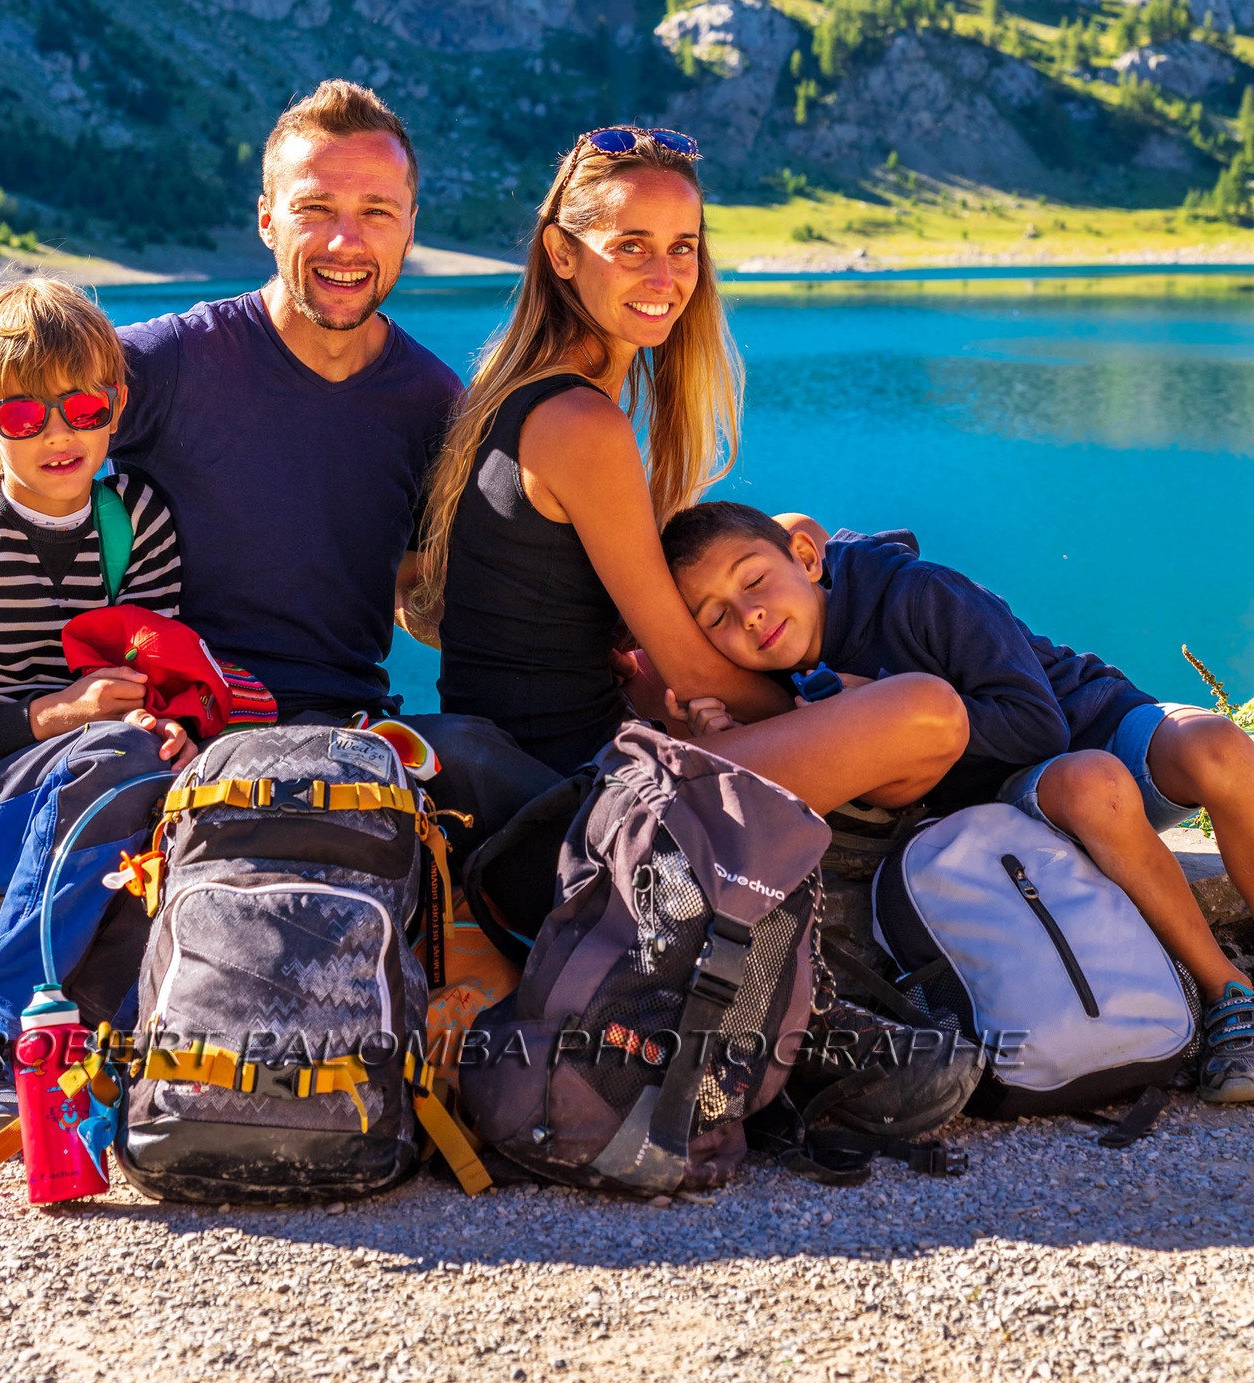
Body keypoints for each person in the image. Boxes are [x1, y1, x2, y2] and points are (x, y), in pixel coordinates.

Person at [0, 80, 462, 799]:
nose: (343, 240)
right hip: (176, 732)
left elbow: (416, 594)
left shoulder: (433, 399)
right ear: (267, 219)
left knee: (493, 771)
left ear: (411, 226)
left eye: (375, 212)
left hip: (348, 726)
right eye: (314, 208)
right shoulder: (175, 360)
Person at [417, 126, 971, 829]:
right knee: (928, 716)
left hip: (562, 756)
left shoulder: (522, 394)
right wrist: (832, 707)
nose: (665, 277)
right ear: (562, 253)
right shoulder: (580, 423)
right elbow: (697, 673)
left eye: (683, 247)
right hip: (567, 794)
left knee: (794, 544)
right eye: (631, 247)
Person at [659, 498, 1254, 1106]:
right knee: (1092, 784)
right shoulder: (773, 673)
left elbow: (1037, 725)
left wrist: (883, 705)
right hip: (1018, 802)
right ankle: (1227, 997)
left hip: (1083, 721)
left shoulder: (919, 593)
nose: (751, 615)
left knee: (1218, 746)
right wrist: (728, 733)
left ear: (807, 560)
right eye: (718, 618)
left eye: (755, 581)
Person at [0, 277, 272, 1145]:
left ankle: (121, 1045)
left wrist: (167, 727)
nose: (60, 433)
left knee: (162, 769)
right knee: (108, 763)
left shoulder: (135, 520)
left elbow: (157, 685)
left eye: (84, 406)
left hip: (92, 782)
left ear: (117, 404)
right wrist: (55, 715)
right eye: (25, 416)